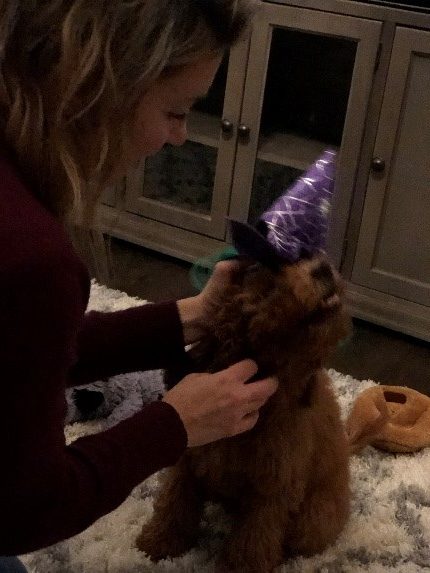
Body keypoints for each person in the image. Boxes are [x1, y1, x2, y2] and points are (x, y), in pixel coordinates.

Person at [0, 1, 278, 570]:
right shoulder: (31, 258)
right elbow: (24, 511)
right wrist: (173, 425)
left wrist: (191, 315)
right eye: (176, 110)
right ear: (96, 87)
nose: (178, 137)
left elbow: (16, 352)